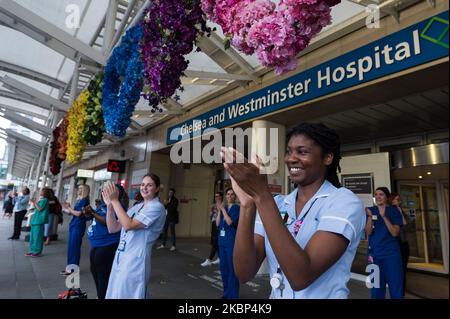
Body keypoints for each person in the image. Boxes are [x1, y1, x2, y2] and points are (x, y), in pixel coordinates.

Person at [222, 122, 365, 299]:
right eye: (289, 151)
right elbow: (244, 273)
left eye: (302, 152)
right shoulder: (278, 204)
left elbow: (301, 277)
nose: (291, 158)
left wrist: (262, 194)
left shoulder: (344, 202)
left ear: (327, 157)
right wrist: (247, 205)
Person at [103, 174, 166, 299]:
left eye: (150, 185)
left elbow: (128, 225)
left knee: (128, 295)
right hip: (121, 257)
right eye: (143, 184)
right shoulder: (137, 207)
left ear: (157, 188)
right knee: (114, 294)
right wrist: (110, 206)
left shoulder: (157, 208)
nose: (145, 187)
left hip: (135, 261)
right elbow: (113, 228)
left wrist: (115, 200)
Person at [84, 184, 127, 299]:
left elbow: (107, 222)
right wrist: (90, 213)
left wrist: (93, 212)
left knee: (103, 276)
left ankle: (103, 296)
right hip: (96, 244)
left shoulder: (118, 206)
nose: (106, 193)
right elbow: (96, 218)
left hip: (107, 245)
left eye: (110, 191)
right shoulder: (103, 205)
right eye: (105, 191)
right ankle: (100, 295)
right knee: (95, 272)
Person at [365, 187, 404, 299]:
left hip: (391, 255)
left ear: (387, 197)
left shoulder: (394, 211)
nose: (378, 197)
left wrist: (383, 216)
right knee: (376, 287)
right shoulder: (370, 210)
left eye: (381, 194)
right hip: (374, 255)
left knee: (395, 286)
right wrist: (369, 217)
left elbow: (395, 233)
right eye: (376, 194)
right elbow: (368, 232)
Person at [61, 184, 90, 276]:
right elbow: (73, 213)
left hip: (78, 226)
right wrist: (68, 208)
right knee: (71, 248)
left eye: (81, 188)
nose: (79, 189)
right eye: (79, 188)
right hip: (74, 225)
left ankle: (73, 270)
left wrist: (69, 208)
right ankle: (70, 268)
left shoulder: (84, 201)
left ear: (85, 190)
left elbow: (78, 214)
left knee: (74, 248)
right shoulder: (79, 200)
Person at [216, 187, 240, 299]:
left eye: (232, 194)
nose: (230, 196)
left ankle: (233, 296)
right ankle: (226, 294)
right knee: (223, 269)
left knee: (232, 269)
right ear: (225, 196)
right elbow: (217, 224)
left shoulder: (236, 208)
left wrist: (223, 210)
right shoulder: (223, 208)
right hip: (222, 243)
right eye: (228, 194)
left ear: (235, 197)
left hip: (231, 242)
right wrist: (219, 211)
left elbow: (230, 222)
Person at [390, 192, 409, 297]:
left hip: (403, 243)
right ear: (391, 200)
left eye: (399, 199)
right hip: (395, 244)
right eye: (396, 199)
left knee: (403, 268)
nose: (398, 201)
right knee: (397, 269)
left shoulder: (400, 211)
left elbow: (406, 225)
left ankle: (401, 292)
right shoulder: (390, 211)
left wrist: (400, 211)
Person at [25, 188, 51, 257]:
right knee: (32, 237)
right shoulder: (41, 199)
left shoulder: (45, 200)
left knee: (37, 237)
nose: (40, 192)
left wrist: (34, 202)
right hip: (35, 220)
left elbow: (40, 209)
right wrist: (34, 203)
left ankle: (37, 251)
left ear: (45, 193)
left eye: (42, 191)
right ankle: (32, 250)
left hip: (39, 221)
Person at [200, 192, 222, 266]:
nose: (216, 198)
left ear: (221, 197)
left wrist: (218, 210)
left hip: (219, 224)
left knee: (215, 241)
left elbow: (223, 214)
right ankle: (219, 258)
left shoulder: (223, 204)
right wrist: (211, 212)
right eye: (215, 196)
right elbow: (210, 216)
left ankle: (209, 259)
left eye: (218, 196)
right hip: (213, 223)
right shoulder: (213, 205)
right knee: (215, 240)